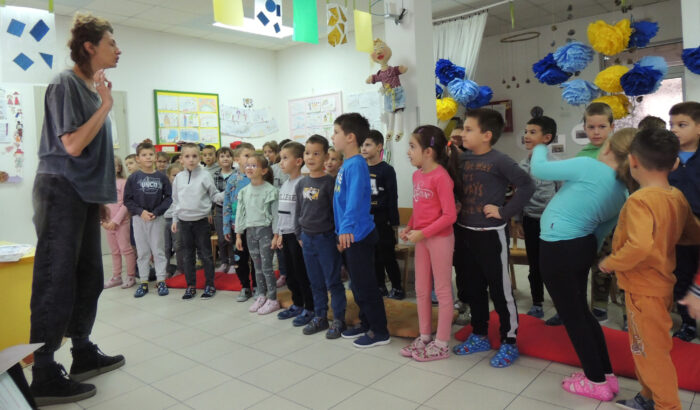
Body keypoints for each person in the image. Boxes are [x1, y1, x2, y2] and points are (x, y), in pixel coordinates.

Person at [29, 13, 124, 405]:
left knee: (89, 277)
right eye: (111, 43)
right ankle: (44, 371)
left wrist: (99, 198)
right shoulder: (65, 83)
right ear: (90, 46)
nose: (118, 49)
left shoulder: (90, 88)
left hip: (83, 195)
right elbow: (72, 145)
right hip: (60, 191)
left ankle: (82, 350)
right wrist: (106, 105)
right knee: (56, 280)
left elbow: (94, 153)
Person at [531, 128, 637, 401]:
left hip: (559, 248)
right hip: (581, 247)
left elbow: (539, 169)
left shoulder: (589, 166)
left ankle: (595, 381)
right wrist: (583, 253)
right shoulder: (622, 191)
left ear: (608, 148)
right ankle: (605, 374)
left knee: (573, 316)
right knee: (581, 313)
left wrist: (541, 144)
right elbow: (600, 232)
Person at [598, 128, 700, 410]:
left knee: (652, 354)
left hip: (644, 289)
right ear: (675, 163)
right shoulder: (676, 196)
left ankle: (667, 405)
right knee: (644, 348)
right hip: (660, 285)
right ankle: (648, 396)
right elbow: (693, 234)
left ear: (632, 161)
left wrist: (610, 262)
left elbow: (640, 246)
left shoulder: (640, 200)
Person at [451, 108, 534, 368]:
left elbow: (527, 185)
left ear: (486, 135)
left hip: (490, 235)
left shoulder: (500, 160)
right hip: (465, 232)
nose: (463, 134)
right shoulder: (463, 159)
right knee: (473, 288)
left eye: (468, 129)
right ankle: (479, 334)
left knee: (500, 290)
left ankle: (509, 341)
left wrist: (505, 212)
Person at [399, 125, 459, 361]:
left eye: (412, 146)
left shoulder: (441, 177)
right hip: (422, 239)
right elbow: (420, 209)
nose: (408, 152)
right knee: (421, 290)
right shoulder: (417, 175)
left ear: (428, 152)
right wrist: (410, 227)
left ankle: (441, 343)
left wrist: (423, 233)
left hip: (440, 239)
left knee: (442, 291)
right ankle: (424, 337)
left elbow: (449, 216)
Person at [332, 113, 390, 348]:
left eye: (336, 132)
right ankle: (366, 323)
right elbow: (341, 202)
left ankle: (380, 331)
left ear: (350, 137)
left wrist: (345, 228)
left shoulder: (356, 164)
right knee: (356, 285)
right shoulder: (348, 164)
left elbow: (355, 200)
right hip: (348, 234)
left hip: (358, 235)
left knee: (365, 286)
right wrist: (340, 232)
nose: (333, 137)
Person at [296, 135, 348, 338]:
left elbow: (338, 213)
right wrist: (299, 234)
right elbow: (298, 211)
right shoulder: (301, 183)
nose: (311, 157)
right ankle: (320, 316)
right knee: (315, 281)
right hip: (307, 239)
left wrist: (338, 238)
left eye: (316, 153)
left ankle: (339, 319)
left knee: (333, 282)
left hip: (326, 239)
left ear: (326, 157)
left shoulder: (330, 183)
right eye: (307, 153)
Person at [512, 116, 560, 319]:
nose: (526, 136)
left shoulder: (555, 165)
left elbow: (562, 193)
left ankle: (560, 303)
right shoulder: (522, 166)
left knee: (553, 266)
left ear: (546, 138)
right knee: (535, 265)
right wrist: (517, 220)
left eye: (532, 132)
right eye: (526, 131)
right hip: (530, 221)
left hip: (552, 223)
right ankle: (537, 302)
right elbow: (518, 196)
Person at [668, 102, 700, 341]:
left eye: (682, 124)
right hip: (679, 231)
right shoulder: (666, 157)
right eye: (671, 125)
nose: (674, 130)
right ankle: (688, 324)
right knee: (681, 277)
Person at [171, 143, 220, 299]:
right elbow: (175, 200)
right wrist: (174, 219)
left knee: (205, 254)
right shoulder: (179, 178)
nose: (191, 159)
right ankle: (190, 285)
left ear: (199, 158)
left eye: (194, 156)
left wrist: (227, 195)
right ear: (181, 159)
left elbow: (214, 195)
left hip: (201, 222)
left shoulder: (205, 175)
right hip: (184, 222)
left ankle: (210, 285)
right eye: (187, 156)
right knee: (188, 255)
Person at [124, 140, 172, 298]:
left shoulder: (162, 177)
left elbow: (169, 198)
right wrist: (140, 212)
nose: (148, 157)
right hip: (139, 219)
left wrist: (156, 212)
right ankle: (143, 281)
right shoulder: (133, 178)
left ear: (155, 157)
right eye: (144, 155)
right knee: (143, 251)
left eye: (151, 154)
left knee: (158, 251)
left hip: (156, 219)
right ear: (138, 158)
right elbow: (127, 200)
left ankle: (161, 280)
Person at [274, 141, 315, 325]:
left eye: (285, 158)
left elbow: (305, 213)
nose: (280, 162)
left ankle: (310, 307)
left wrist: (301, 235)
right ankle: (297, 303)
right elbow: (281, 213)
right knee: (289, 273)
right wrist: (279, 233)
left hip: (298, 237)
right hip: (286, 235)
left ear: (298, 161)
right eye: (280, 158)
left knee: (302, 273)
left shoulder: (304, 183)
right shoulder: (285, 184)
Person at [235, 154, 280, 315]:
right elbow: (240, 214)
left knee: (267, 267)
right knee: (257, 266)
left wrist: (276, 235)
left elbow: (276, 215)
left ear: (264, 170)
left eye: (254, 165)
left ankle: (272, 298)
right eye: (247, 165)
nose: (249, 168)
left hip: (266, 231)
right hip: (250, 232)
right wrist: (238, 235)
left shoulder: (271, 191)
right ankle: (261, 295)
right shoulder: (244, 191)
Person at [362, 129, 404, 299]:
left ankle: (397, 287)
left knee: (387, 255)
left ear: (379, 146)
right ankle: (380, 285)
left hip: (382, 219)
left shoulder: (387, 170)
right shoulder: (361, 168)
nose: (363, 148)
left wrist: (394, 223)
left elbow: (393, 197)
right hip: (366, 219)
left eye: (368, 144)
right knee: (373, 256)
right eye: (362, 145)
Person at [224, 143, 257, 301]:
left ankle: (257, 285)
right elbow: (227, 204)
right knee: (239, 258)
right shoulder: (232, 180)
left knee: (256, 258)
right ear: (237, 159)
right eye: (246, 156)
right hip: (236, 227)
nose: (250, 159)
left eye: (252, 156)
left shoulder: (257, 177)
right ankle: (245, 286)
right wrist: (226, 227)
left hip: (256, 225)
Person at [103, 155, 136, 289]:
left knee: (126, 250)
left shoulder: (124, 182)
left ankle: (131, 276)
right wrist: (103, 221)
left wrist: (116, 221)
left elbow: (126, 203)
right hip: (107, 224)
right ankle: (116, 277)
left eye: (113, 166)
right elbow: (100, 204)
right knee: (114, 251)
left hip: (121, 223)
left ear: (119, 168)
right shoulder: (102, 184)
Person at [212, 147, 236, 274]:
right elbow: (212, 195)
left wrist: (224, 196)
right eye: (222, 156)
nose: (225, 158)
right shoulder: (215, 175)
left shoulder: (237, 174)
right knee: (221, 238)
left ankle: (233, 263)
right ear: (218, 160)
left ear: (233, 159)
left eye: (228, 156)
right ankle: (224, 262)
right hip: (219, 210)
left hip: (233, 211)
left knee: (231, 237)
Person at [163, 162, 184, 277]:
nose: (177, 178)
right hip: (164, 220)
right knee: (165, 247)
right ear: (168, 176)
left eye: (180, 175)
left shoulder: (184, 189)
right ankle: (165, 270)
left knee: (178, 246)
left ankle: (180, 269)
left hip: (178, 220)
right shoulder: (164, 189)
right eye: (174, 175)